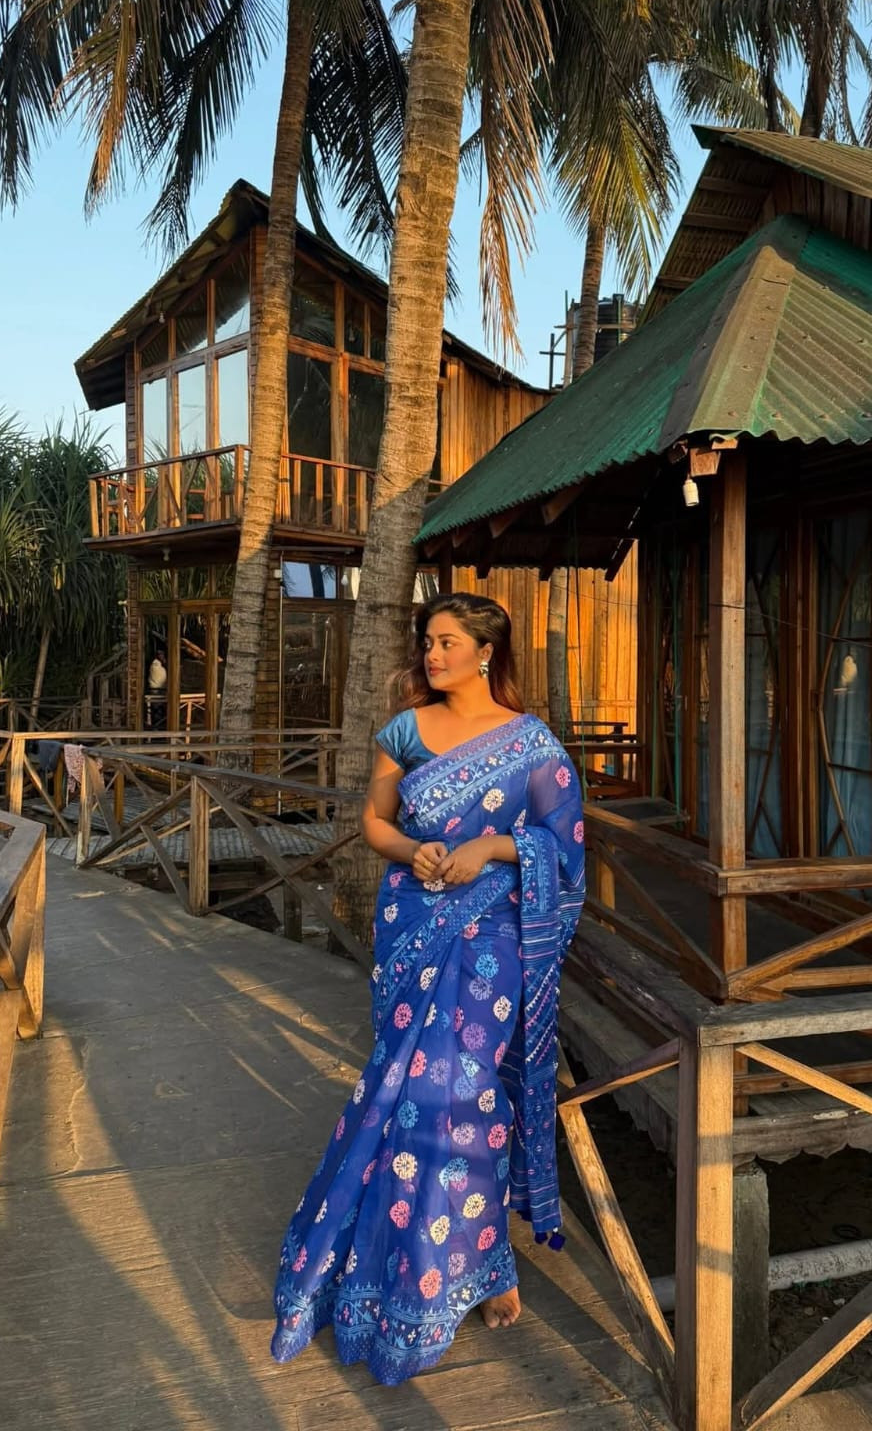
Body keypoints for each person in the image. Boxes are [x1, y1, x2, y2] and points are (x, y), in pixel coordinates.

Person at [271, 593, 585, 1385]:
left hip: (492, 940)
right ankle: (400, 1266)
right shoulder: (405, 732)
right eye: (428, 641)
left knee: (462, 1095)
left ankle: (484, 1262)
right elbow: (374, 823)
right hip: (413, 924)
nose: (432, 654)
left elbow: (564, 849)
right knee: (406, 1094)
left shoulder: (533, 745)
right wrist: (411, 851)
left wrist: (494, 846)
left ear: (485, 651)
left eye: (447, 641)